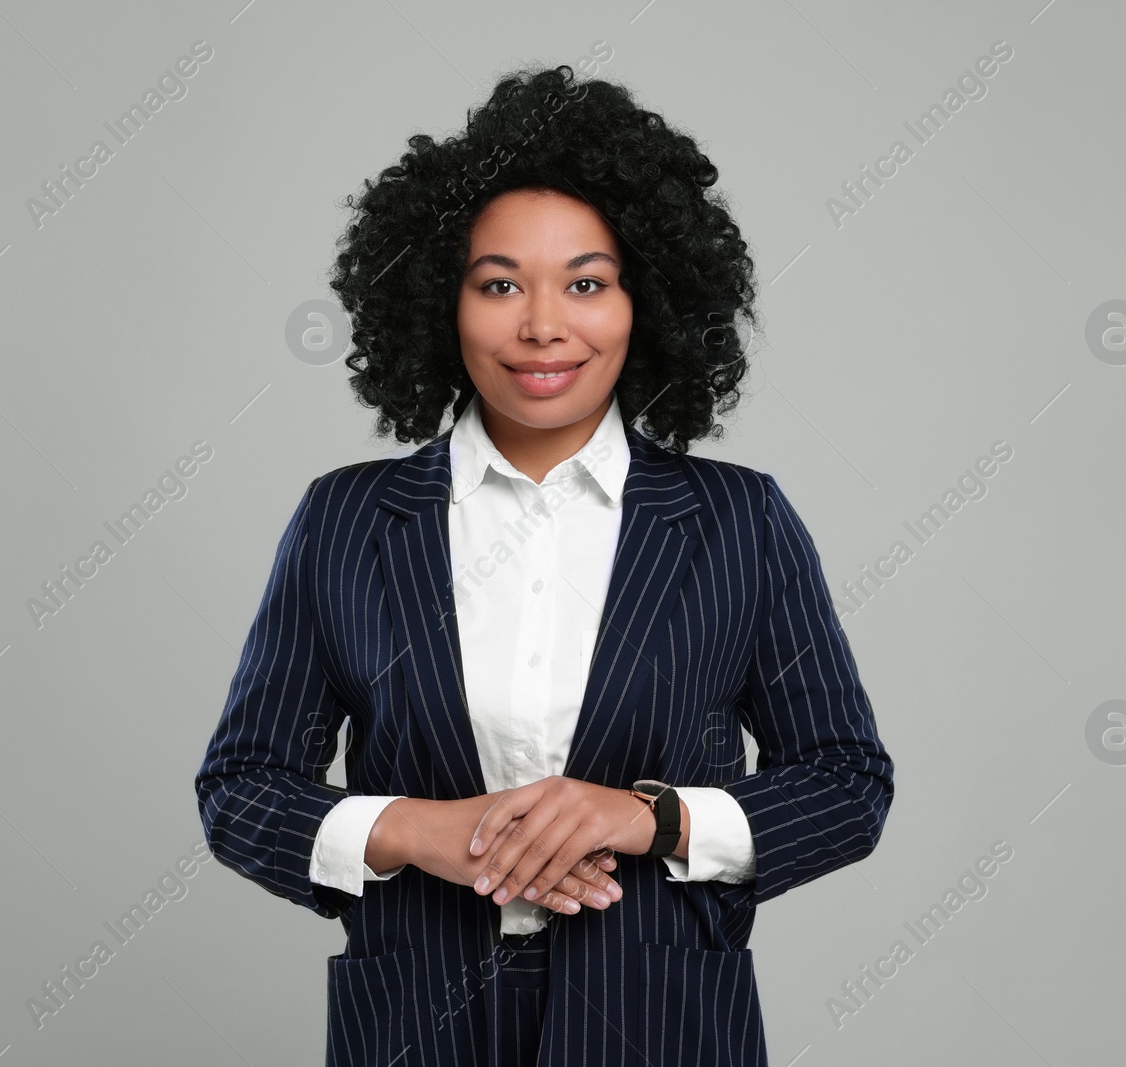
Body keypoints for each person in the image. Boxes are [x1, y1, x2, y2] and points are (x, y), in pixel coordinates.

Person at [195, 63, 895, 1067]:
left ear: (643, 300)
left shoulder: (737, 519)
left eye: (585, 282)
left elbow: (843, 784)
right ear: (443, 300)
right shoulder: (347, 519)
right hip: (414, 1028)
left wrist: (644, 815)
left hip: (662, 1025)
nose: (540, 325)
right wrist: (413, 830)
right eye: (498, 284)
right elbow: (242, 789)